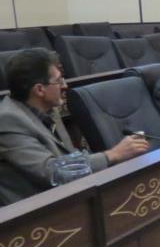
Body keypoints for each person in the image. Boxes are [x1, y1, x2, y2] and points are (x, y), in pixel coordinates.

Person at [0, 48, 148, 203]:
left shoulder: (48, 109)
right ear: (39, 90)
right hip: (36, 209)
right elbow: (52, 172)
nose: (65, 85)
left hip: (68, 195)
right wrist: (113, 154)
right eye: (58, 81)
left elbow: (69, 157)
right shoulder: (8, 120)